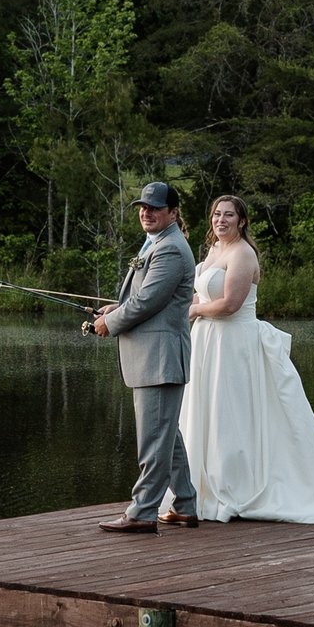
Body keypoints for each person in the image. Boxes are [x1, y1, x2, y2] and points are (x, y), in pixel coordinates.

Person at [181, 194, 314, 523]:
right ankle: (202, 487)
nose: (221, 220)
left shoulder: (244, 253)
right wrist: (180, 306)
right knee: (207, 411)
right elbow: (203, 293)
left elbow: (230, 304)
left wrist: (192, 310)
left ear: (242, 221)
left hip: (234, 344)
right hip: (207, 341)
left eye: (228, 215)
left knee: (230, 414)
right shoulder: (215, 250)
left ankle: (233, 487)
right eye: (216, 214)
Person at [85, 179, 198, 534]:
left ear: (174, 213)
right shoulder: (158, 242)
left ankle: (143, 512)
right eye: (143, 207)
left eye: (155, 208)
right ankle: (185, 504)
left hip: (159, 359)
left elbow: (149, 301)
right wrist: (116, 308)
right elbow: (148, 298)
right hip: (153, 357)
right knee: (166, 436)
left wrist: (110, 323)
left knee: (153, 438)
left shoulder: (170, 249)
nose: (146, 213)